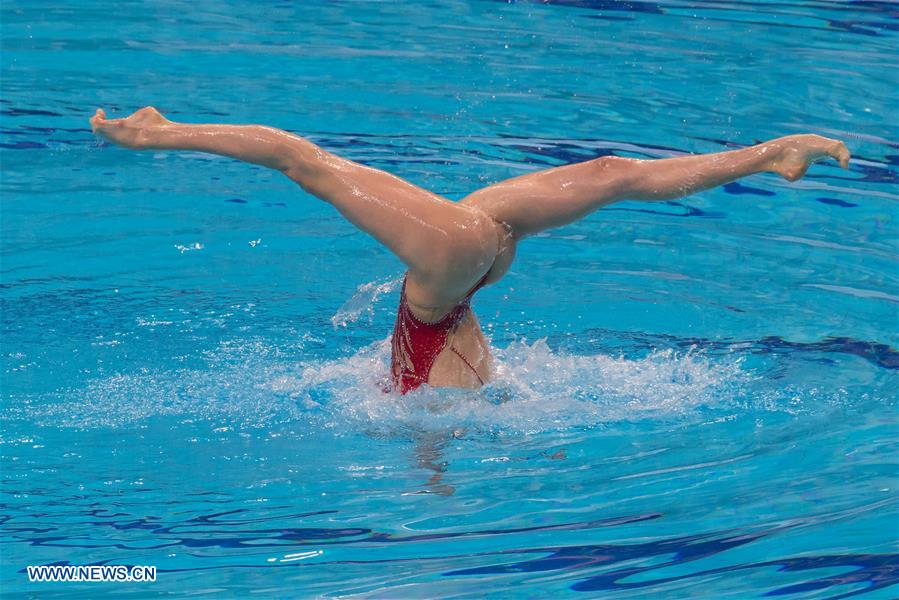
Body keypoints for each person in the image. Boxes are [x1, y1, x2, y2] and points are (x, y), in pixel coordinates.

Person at [90, 107, 850, 394]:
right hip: (454, 266)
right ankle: (769, 153)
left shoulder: (428, 399)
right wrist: (433, 478)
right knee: (612, 175)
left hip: (465, 267)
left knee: (612, 176)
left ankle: (154, 134)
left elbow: (435, 429)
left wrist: (432, 480)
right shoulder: (438, 397)